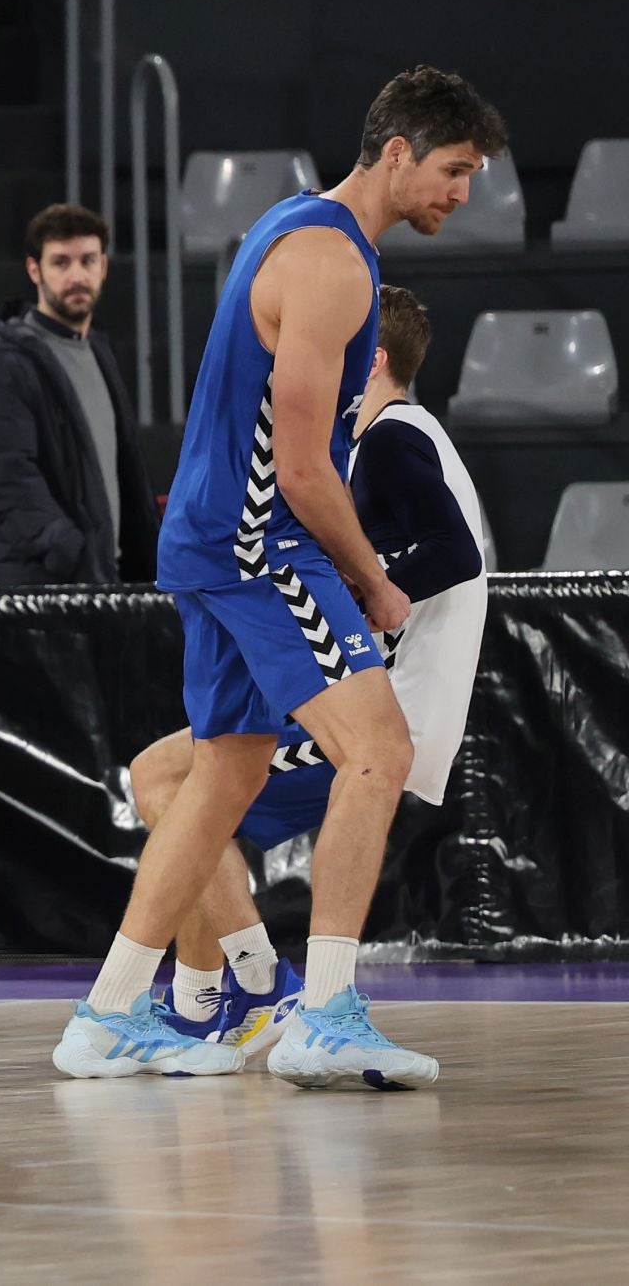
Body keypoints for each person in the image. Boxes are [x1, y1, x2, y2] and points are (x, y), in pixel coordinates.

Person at [52, 65, 507, 1087]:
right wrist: (373, 581)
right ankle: (325, 1015)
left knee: (223, 774)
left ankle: (108, 1013)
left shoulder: (289, 223)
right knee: (377, 748)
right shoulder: (336, 269)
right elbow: (302, 468)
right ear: (397, 152)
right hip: (262, 548)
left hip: (217, 541)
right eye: (453, 170)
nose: (463, 193)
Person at [131, 285, 487, 1062]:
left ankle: (252, 990)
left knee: (173, 783)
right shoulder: (403, 438)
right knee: (182, 778)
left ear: (375, 359)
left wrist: (365, 587)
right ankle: (216, 1000)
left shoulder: (391, 438)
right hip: (388, 706)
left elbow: (456, 553)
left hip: (391, 717)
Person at [0, 204, 159, 584]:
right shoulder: (4, 360)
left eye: (87, 261)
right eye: (61, 263)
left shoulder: (99, 348)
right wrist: (73, 553)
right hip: (39, 590)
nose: (77, 276)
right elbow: (8, 480)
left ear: (103, 266)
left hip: (100, 582)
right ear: (34, 270)